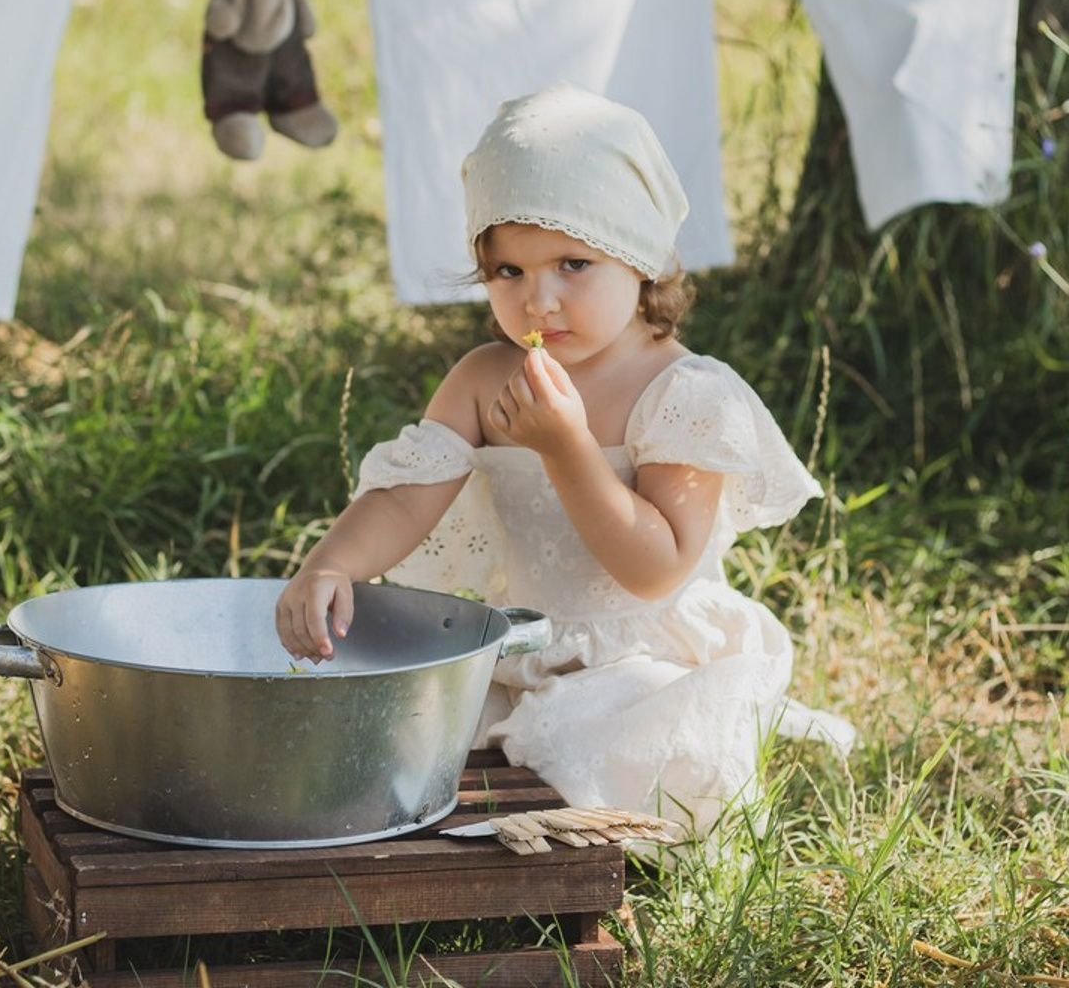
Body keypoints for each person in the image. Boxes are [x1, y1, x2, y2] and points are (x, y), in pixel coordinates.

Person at [275, 82, 852, 844]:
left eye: (572, 264)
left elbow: (655, 568)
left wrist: (568, 448)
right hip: (522, 649)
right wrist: (330, 564)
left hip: (640, 657)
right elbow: (407, 497)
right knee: (385, 727)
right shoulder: (485, 379)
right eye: (507, 272)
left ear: (640, 258)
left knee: (650, 753)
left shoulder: (685, 394)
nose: (537, 300)